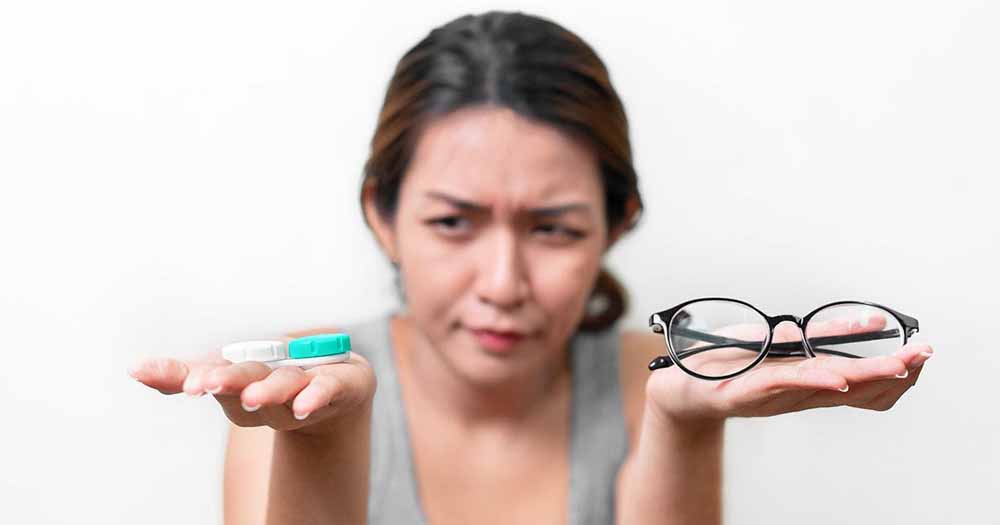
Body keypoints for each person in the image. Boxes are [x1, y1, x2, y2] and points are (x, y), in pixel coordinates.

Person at [128, 11, 934, 525]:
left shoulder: (659, 381)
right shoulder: (299, 397)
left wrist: (684, 424)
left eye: (552, 228)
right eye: (453, 222)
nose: (503, 283)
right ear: (382, 214)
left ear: (617, 222)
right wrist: (325, 439)